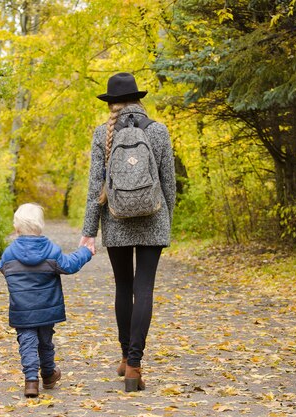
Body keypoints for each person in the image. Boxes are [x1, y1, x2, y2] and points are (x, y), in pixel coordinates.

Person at [79, 72, 176, 392]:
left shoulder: (101, 134)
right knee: (144, 288)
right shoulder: (159, 131)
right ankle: (134, 365)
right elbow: (169, 184)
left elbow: (96, 186)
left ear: (112, 104)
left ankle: (124, 355)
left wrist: (89, 230)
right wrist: (167, 222)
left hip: (116, 219)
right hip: (154, 218)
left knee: (123, 286)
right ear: (139, 100)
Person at [0, 203, 93, 398]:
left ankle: (31, 381)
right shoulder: (51, 250)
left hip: (21, 309)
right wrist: (85, 252)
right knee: (45, 342)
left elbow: (3, 268)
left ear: (16, 228)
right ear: (41, 226)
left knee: (27, 341)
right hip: (47, 308)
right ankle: (49, 375)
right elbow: (69, 265)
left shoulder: (9, 253)